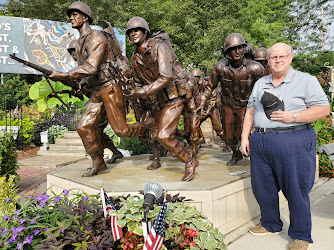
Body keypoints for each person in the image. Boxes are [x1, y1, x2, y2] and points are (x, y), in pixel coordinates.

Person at [240, 42, 330, 250]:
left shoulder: (305, 81)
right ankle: (271, 223)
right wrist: (245, 137)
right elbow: (251, 112)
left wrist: (294, 116)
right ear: (268, 61)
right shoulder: (261, 83)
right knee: (263, 188)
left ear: (290, 58)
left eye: (282, 56)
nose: (277, 60)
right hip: (261, 141)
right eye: (273, 57)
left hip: (293, 139)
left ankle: (300, 235)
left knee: (295, 189)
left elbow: (323, 109)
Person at [49, 1, 143, 177]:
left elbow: (91, 67)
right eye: (71, 15)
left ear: (85, 18)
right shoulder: (79, 43)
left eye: (75, 14)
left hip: (109, 88)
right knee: (84, 127)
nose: (71, 17)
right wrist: (75, 84)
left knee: (122, 131)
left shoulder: (96, 37)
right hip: (96, 91)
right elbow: (86, 74)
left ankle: (148, 126)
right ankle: (98, 162)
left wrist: (62, 75)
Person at [124, 16, 199, 181]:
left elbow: (165, 77)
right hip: (156, 102)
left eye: (137, 30)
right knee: (155, 134)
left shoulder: (159, 46)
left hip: (172, 98)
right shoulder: (135, 56)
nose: (133, 34)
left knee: (163, 135)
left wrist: (140, 91)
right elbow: (137, 81)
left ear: (145, 32)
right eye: (130, 32)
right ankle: (178, 152)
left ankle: (189, 159)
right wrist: (131, 92)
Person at [199, 33, 265, 165]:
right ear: (227, 52)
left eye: (239, 48)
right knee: (228, 135)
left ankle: (253, 152)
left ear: (244, 48)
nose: (237, 52)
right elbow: (210, 86)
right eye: (233, 49)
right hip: (227, 106)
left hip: (245, 106)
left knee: (243, 132)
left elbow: (265, 89)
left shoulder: (255, 68)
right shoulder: (220, 67)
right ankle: (236, 154)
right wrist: (202, 101)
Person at [66, 39, 124, 164]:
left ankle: (103, 158)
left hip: (107, 99)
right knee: (95, 130)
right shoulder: (82, 68)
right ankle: (113, 154)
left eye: (74, 52)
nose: (73, 56)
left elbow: (99, 84)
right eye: (71, 53)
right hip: (98, 100)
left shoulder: (93, 64)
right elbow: (87, 90)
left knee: (99, 129)